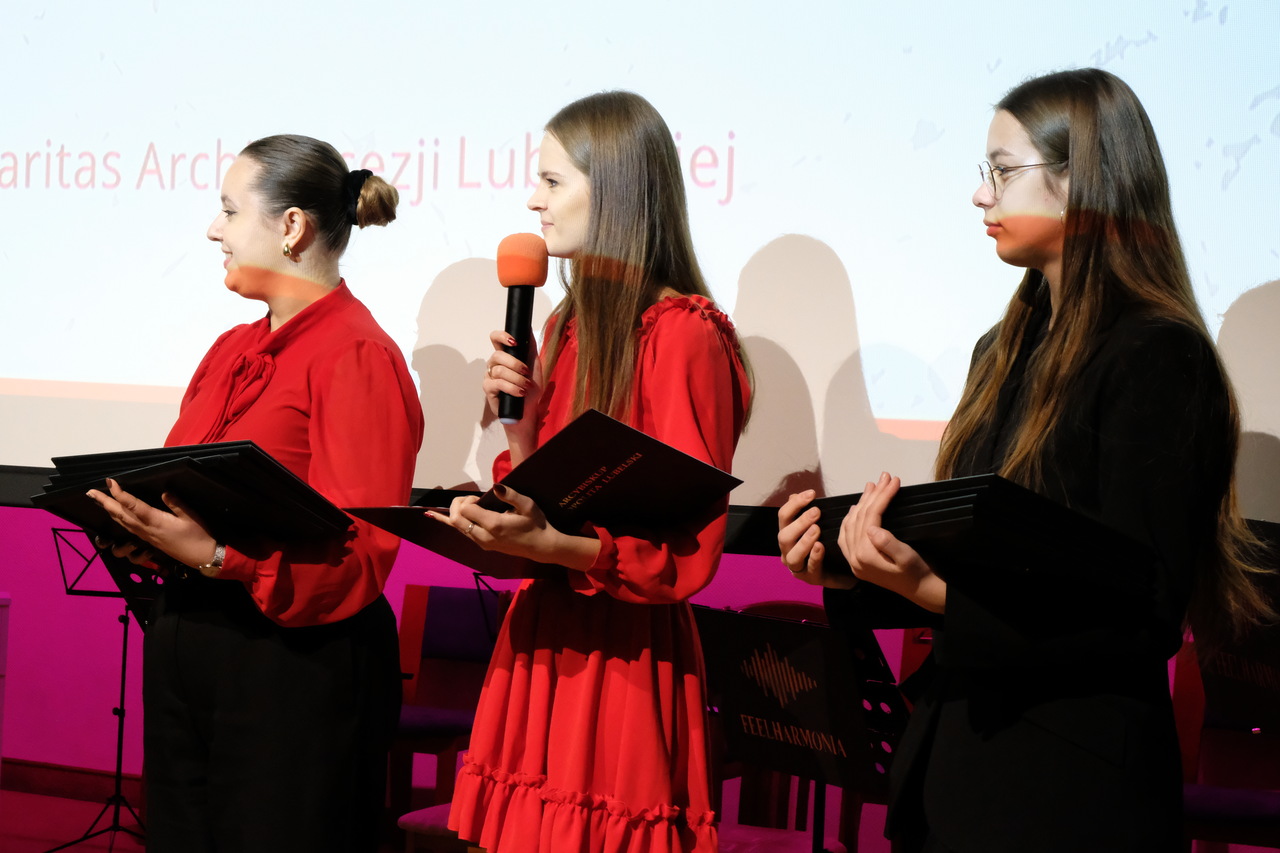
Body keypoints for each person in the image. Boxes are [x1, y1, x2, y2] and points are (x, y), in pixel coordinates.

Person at [778, 68, 1274, 852]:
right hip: (957, 777)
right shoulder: (1001, 348)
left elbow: (1138, 617)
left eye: (1004, 172)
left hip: (1068, 795)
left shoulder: (1158, 357)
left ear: (1084, 182)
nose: (981, 195)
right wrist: (853, 567)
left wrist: (930, 590)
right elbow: (982, 571)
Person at [431, 91, 751, 853]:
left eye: (552, 181)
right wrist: (520, 429)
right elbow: (548, 491)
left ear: (615, 190)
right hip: (546, 632)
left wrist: (558, 547)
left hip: (625, 652)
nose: (533, 200)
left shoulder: (685, 334)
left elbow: (686, 544)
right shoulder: (563, 325)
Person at [87, 134, 424, 852]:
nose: (215, 229)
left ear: (292, 226)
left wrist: (217, 556)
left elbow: (363, 555)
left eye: (231, 210)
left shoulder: (357, 354)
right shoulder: (230, 350)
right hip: (190, 645)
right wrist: (145, 530)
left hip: (292, 665)